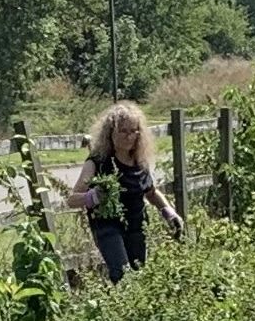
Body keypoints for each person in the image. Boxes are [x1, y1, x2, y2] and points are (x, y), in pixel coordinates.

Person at [58, 101, 186, 281]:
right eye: (123, 131)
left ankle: (133, 308)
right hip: (107, 227)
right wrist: (93, 197)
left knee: (138, 271)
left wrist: (169, 213)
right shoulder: (98, 162)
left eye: (134, 131)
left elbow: (151, 193)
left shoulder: (139, 162)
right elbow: (72, 199)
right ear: (111, 133)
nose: (129, 136)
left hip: (136, 226)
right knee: (122, 274)